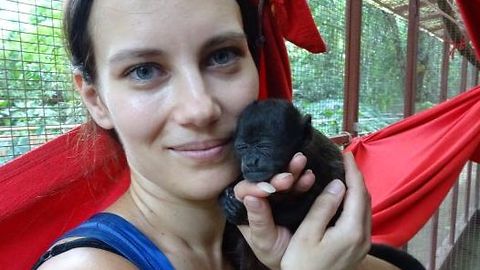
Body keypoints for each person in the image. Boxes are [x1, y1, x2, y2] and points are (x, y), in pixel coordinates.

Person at [34, 0, 398, 269]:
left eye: (222, 56)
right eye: (144, 71)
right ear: (96, 100)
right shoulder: (89, 265)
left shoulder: (274, 232)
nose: (200, 108)